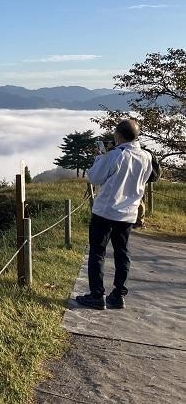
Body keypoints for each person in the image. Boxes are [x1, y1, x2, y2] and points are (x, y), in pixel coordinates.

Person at [76, 119, 152, 310]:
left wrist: (100, 156)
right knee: (122, 253)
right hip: (128, 213)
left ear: (118, 135)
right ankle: (118, 295)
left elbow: (94, 177)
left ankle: (96, 295)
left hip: (106, 211)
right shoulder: (146, 157)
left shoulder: (116, 156)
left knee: (97, 253)